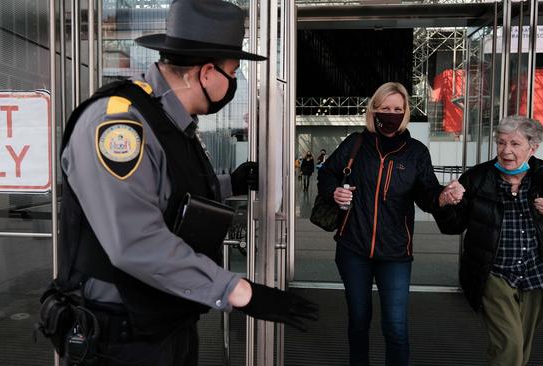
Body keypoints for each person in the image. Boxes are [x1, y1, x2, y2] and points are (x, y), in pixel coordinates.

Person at [46, 1, 318, 364]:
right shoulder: (119, 125)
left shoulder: (170, 124)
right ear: (206, 73)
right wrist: (239, 291)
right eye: (234, 72)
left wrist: (227, 184)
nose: (236, 82)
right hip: (119, 340)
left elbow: (167, 193)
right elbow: (136, 241)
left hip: (165, 325)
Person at [317, 82, 459, 366]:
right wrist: (334, 190)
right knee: (358, 321)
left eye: (397, 109)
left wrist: (443, 197)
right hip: (352, 248)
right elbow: (327, 175)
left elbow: (427, 194)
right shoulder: (354, 144)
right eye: (384, 108)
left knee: (395, 327)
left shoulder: (416, 152)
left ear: (405, 112)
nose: (390, 114)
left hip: (395, 253)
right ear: (374, 110)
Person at [433, 116, 543, 366]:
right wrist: (445, 203)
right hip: (494, 273)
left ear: (533, 147)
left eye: (515, 144)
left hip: (536, 273)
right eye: (501, 143)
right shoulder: (478, 178)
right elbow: (452, 226)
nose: (506, 151)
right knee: (509, 344)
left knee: (521, 344)